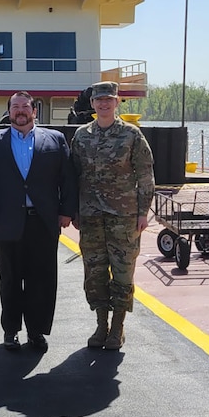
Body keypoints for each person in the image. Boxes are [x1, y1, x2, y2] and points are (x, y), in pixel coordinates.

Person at [0, 91, 77, 352]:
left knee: (41, 280)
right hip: (6, 222)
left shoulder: (55, 139)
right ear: (9, 111)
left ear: (34, 111)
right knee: (10, 280)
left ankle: (36, 331)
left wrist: (66, 211)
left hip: (43, 222)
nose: (20, 111)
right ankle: (11, 330)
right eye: (15, 107)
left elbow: (68, 178)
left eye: (25, 107)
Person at [70, 81, 155, 350]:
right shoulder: (81, 136)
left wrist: (143, 212)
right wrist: (73, 211)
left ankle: (118, 326)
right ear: (93, 104)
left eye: (109, 99)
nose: (104, 104)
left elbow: (145, 175)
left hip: (124, 216)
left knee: (122, 272)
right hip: (91, 217)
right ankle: (101, 323)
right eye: (99, 100)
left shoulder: (132, 135)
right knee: (94, 272)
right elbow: (73, 176)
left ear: (117, 103)